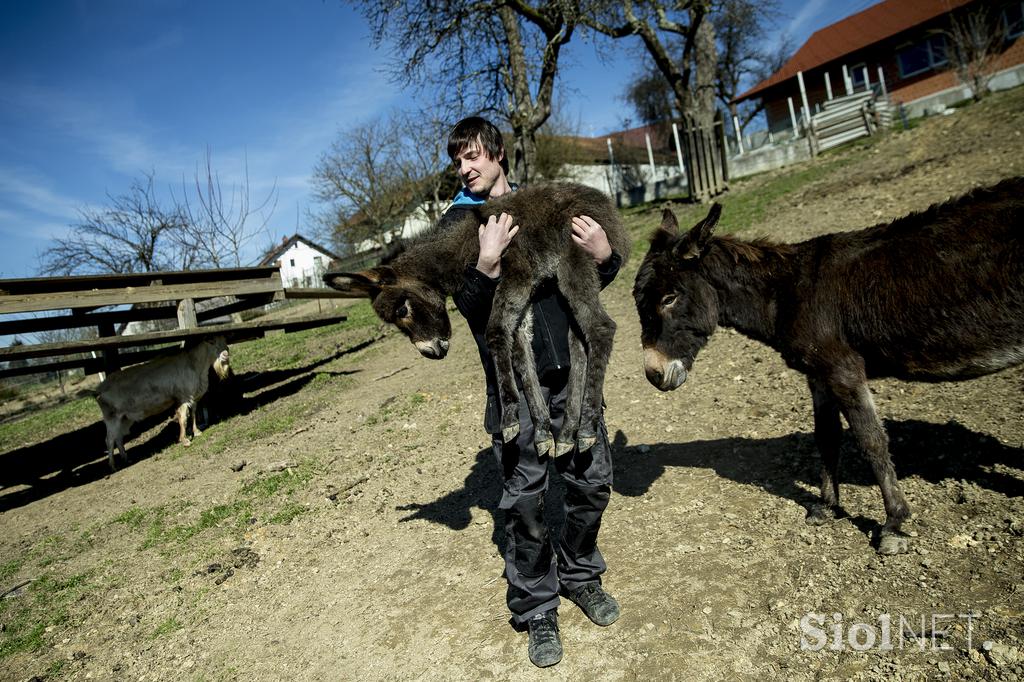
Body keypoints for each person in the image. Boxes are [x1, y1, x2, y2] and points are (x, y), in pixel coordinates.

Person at [436, 116, 623, 668]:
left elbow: (589, 288)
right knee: (526, 504)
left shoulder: (547, 204)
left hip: (572, 376)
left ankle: (581, 572)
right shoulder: (459, 224)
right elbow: (467, 310)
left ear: (497, 154)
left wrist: (604, 254)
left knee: (593, 483)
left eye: (472, 157)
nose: (464, 169)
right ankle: (538, 605)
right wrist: (485, 263)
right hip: (515, 392)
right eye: (458, 161)